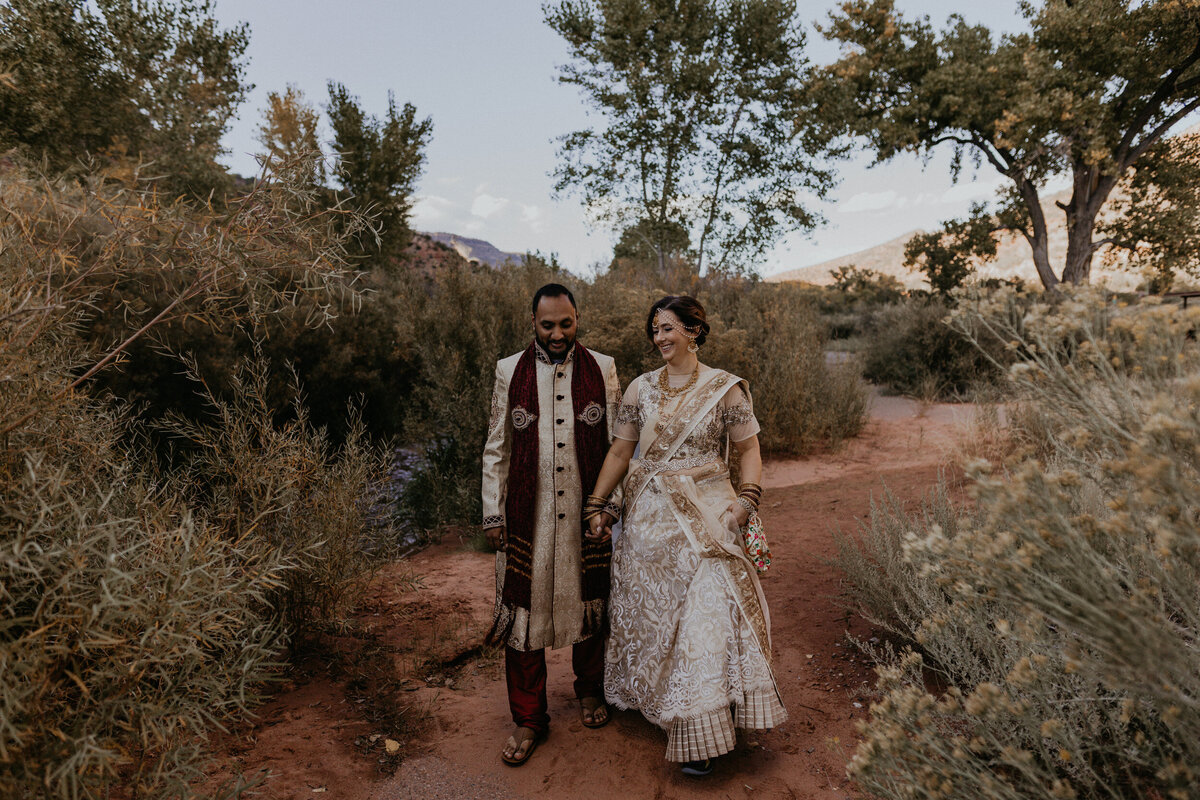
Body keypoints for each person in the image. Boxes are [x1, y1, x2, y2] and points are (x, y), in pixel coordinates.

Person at [585, 295, 786, 777]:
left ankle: (703, 730)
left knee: (710, 611)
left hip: (710, 518)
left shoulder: (725, 390)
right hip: (648, 527)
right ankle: (666, 701)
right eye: (655, 329)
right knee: (659, 620)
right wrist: (598, 503)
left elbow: (750, 450)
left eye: (669, 328)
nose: (660, 338)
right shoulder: (639, 388)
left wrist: (748, 499)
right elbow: (620, 452)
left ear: (695, 331)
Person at [481, 283, 623, 766]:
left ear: (577, 319)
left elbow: (615, 447)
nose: (558, 333)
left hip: (586, 512)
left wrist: (607, 507)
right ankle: (528, 719)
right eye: (548, 325)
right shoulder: (508, 371)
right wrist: (493, 513)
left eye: (566, 323)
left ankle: (589, 692)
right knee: (524, 616)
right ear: (533, 324)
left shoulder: (602, 369)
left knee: (590, 604)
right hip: (529, 519)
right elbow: (497, 448)